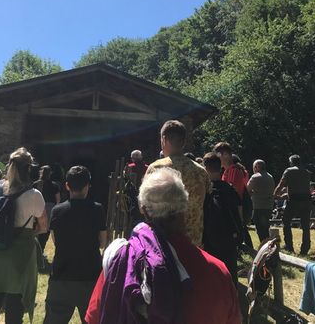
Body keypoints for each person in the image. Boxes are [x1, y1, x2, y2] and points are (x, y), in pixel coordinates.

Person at [85, 167, 241, 324]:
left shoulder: (121, 263)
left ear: (144, 210)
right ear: (184, 209)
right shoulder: (217, 272)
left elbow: (94, 318)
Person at [0, 147, 47, 324]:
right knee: (14, 313)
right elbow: (44, 227)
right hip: (20, 257)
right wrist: (29, 232)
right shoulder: (34, 195)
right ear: (29, 169)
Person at [43, 165, 107, 324]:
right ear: (87, 186)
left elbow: (55, 241)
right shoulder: (97, 209)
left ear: (67, 186)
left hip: (62, 275)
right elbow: (102, 242)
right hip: (90, 275)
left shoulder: (57, 211)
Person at [145, 120, 211, 246]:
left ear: (164, 139)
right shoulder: (201, 171)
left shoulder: (155, 168)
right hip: (194, 244)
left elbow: (144, 206)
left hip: (165, 244)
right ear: (184, 141)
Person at [201, 152, 243, 278]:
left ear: (205, 168)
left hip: (210, 239)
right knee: (230, 273)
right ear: (220, 168)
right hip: (230, 238)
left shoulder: (205, 191)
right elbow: (239, 213)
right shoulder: (230, 189)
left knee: (213, 275)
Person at [273, 155, 311, 255]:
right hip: (306, 200)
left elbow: (281, 184)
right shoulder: (306, 172)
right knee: (305, 225)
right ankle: (305, 248)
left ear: (291, 162)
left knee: (286, 221)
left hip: (294, 200)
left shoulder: (289, 171)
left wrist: (275, 195)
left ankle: (289, 246)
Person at [247, 159, 275, 243]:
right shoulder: (270, 177)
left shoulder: (255, 177)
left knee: (260, 229)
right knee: (265, 227)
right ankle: (268, 244)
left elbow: (247, 190)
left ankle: (264, 244)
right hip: (268, 206)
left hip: (258, 206)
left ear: (256, 167)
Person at [34, 165, 61, 252]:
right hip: (50, 209)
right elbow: (58, 199)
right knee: (46, 231)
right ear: (50, 173)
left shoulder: (35, 184)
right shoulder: (54, 185)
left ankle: (36, 249)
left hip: (38, 207)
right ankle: (41, 249)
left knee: (36, 229)